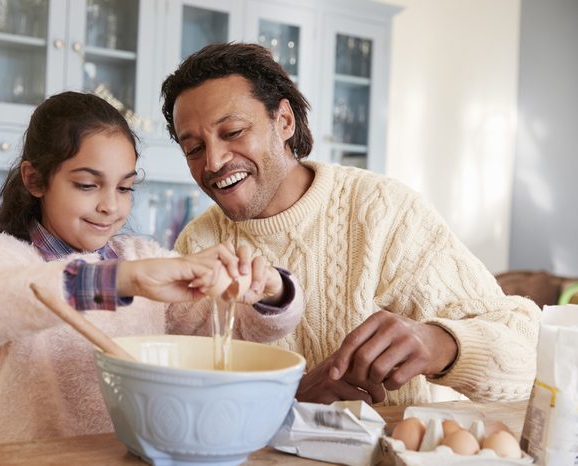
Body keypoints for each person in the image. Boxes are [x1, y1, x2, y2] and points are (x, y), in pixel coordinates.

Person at [160, 43, 540, 406]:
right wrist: (289, 399)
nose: (212, 162)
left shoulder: (383, 213)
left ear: (285, 121)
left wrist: (441, 343)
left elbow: (528, 351)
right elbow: (185, 392)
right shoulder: (199, 242)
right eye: (193, 148)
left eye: (233, 132)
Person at [0, 91, 303, 445]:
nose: (111, 206)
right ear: (35, 180)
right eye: (86, 185)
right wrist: (121, 281)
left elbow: (235, 330)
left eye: (125, 188)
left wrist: (268, 289)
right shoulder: (6, 255)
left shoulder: (140, 255)